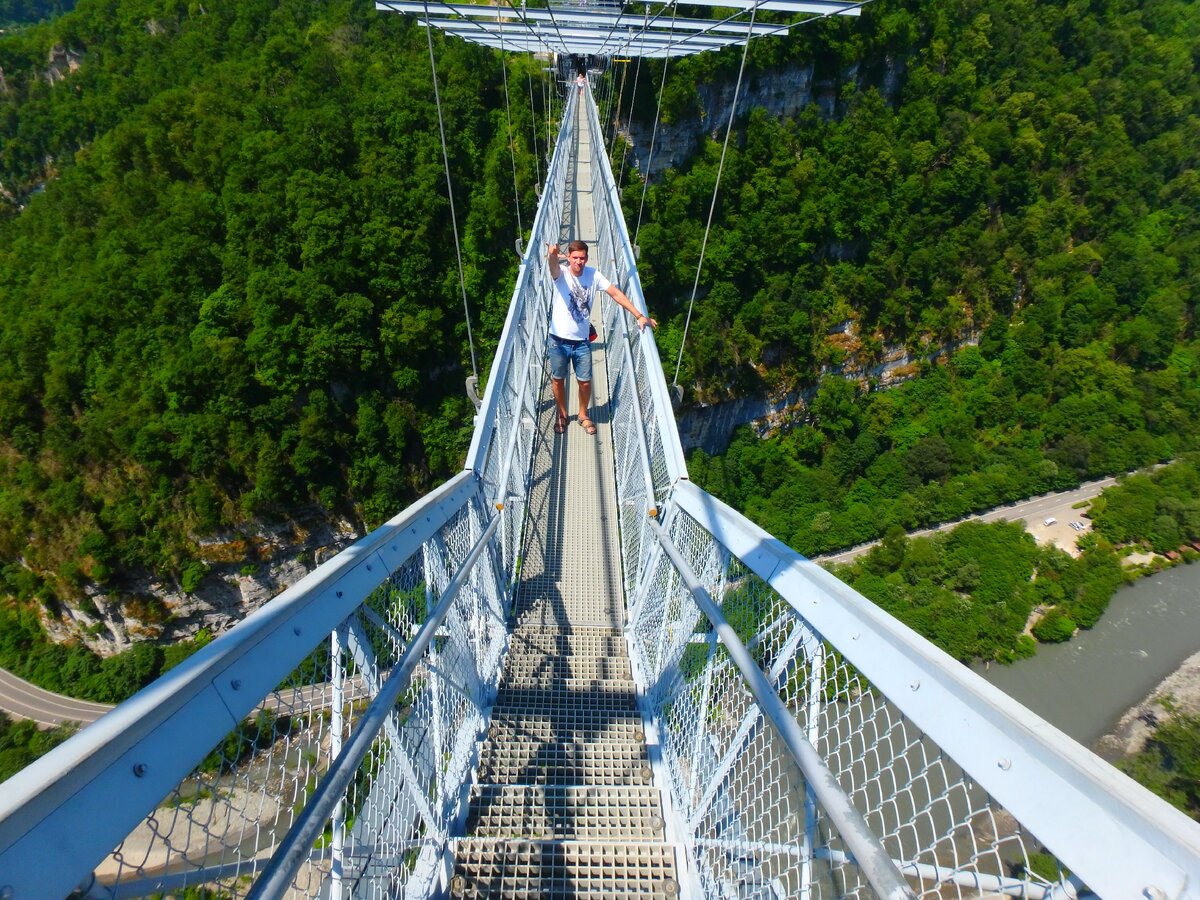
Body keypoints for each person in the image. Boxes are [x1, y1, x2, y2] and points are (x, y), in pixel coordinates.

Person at [546, 240, 656, 435]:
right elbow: (552, 266)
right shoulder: (561, 274)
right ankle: (562, 415)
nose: (578, 262)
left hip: (581, 341)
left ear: (586, 258)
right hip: (558, 340)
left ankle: (582, 414)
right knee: (557, 380)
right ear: (568, 258)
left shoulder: (593, 275)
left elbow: (614, 293)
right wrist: (552, 255)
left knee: (585, 382)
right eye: (575, 258)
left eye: (582, 258)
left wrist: (639, 315)